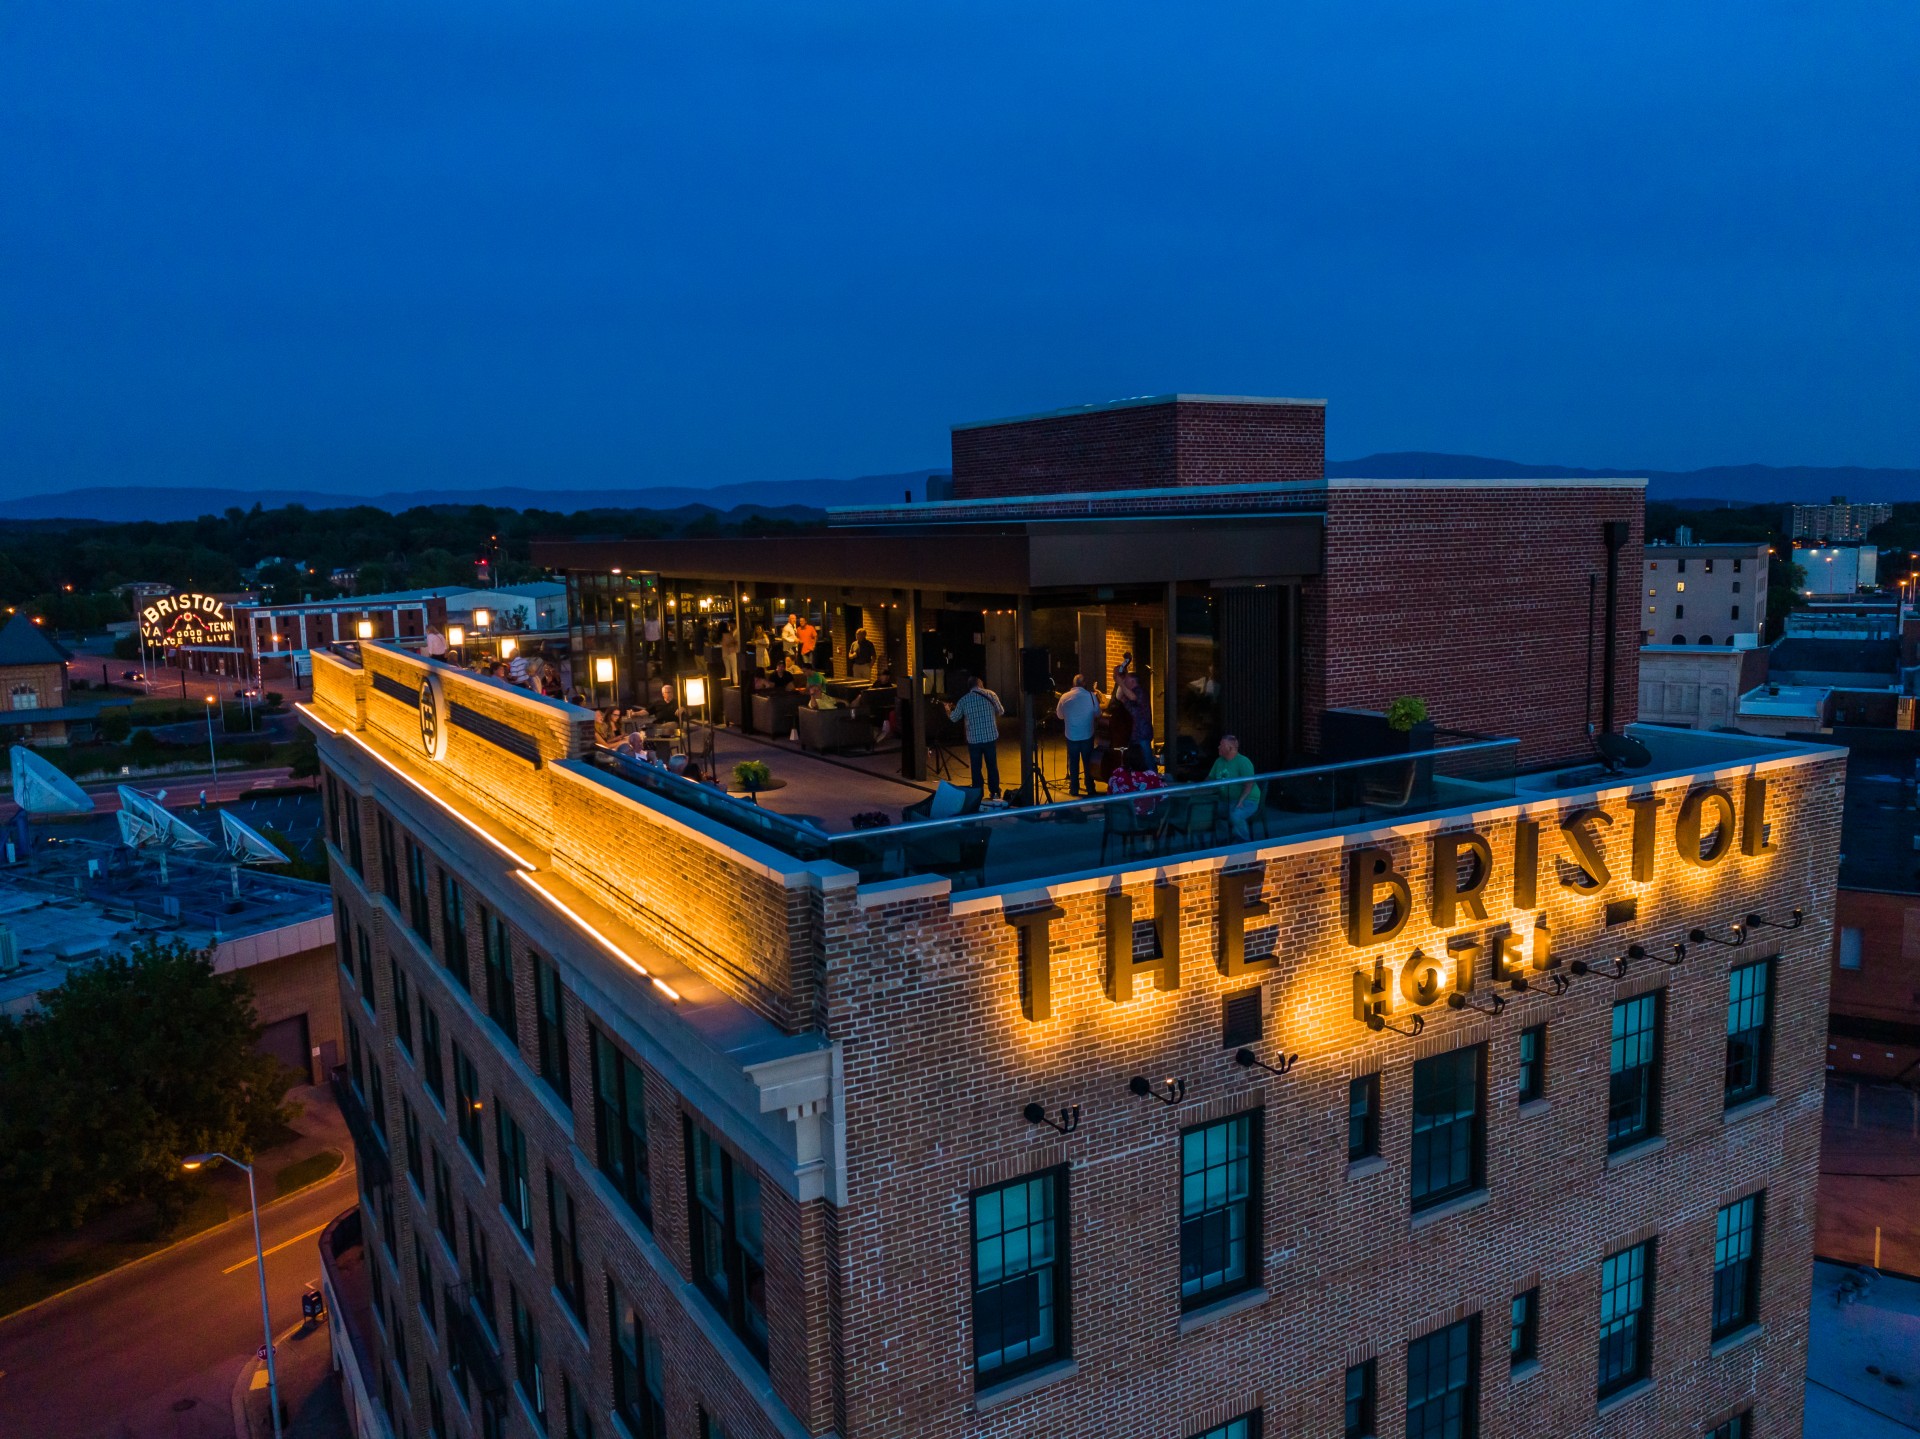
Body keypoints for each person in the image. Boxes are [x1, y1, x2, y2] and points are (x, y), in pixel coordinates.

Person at [947, 674, 1005, 799]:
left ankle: (977, 793)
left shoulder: (964, 700)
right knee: (992, 765)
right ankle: (995, 791)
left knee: (976, 767)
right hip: (990, 737)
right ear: (979, 683)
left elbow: (953, 718)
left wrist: (947, 709)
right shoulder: (991, 694)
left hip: (974, 739)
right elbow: (1001, 711)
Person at [1054, 673, 1104, 796]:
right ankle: (1090, 787)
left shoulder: (1064, 697)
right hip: (1087, 734)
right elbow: (1098, 714)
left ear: (1073, 684)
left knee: (1073, 762)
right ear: (1084, 684)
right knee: (1088, 762)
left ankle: (1074, 788)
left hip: (1071, 735)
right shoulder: (1091, 696)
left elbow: (1059, 716)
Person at [1209, 734, 1260, 841]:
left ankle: (1243, 845)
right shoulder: (1219, 761)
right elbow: (1210, 779)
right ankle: (1223, 841)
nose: (1218, 747)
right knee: (1210, 812)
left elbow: (1249, 783)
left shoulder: (1243, 761)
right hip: (1225, 800)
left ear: (1230, 748)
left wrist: (1241, 801)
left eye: (1221, 745)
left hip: (1247, 799)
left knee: (1236, 815)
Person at [1107, 744, 1165, 817]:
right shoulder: (1149, 776)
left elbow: (1109, 795)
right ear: (1143, 758)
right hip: (1145, 821)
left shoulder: (1117, 774)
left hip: (1120, 820)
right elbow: (1162, 796)